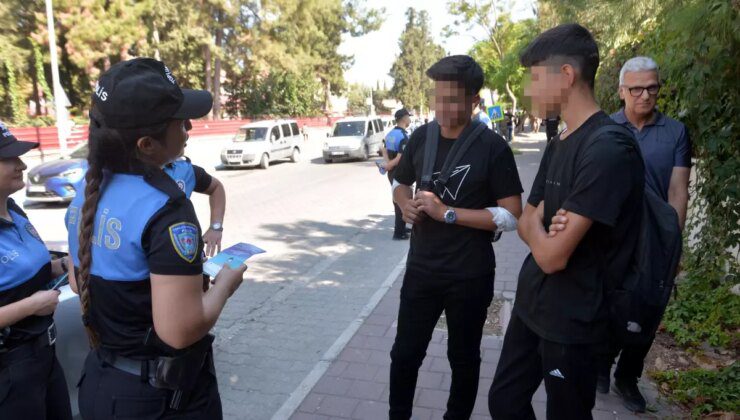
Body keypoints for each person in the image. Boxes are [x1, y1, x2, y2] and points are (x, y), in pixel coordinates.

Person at [65, 58, 246, 419]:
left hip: (103, 385)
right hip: (159, 400)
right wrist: (225, 283)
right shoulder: (165, 209)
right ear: (147, 144)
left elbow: (76, 280)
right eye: (180, 121)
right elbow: (179, 331)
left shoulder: (87, 191)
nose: (189, 127)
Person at [488, 24, 645, 419]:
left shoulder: (608, 149)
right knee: (504, 402)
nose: (528, 89)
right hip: (532, 306)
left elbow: (554, 257)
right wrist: (541, 228)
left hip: (575, 320)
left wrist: (539, 232)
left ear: (566, 76)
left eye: (534, 78)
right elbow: (526, 217)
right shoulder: (561, 140)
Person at [390, 55, 523, 420]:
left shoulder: (493, 147)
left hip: (470, 274)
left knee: (463, 357)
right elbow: (400, 182)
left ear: (474, 101)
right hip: (422, 269)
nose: (443, 107)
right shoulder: (421, 136)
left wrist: (447, 213)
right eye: (438, 97)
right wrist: (404, 205)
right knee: (404, 353)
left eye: (453, 99)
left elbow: (512, 215)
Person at [598, 56, 691, 412]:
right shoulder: (606, 128)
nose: (645, 95)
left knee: (650, 309)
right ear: (622, 91)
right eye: (636, 88)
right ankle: (601, 363)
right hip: (615, 236)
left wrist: (673, 244)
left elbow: (677, 191)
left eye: (652, 87)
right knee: (608, 302)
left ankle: (627, 377)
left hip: (655, 239)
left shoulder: (675, 132)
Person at [0, 121, 73, 419]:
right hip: (10, 369)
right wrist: (32, 306)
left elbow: (30, 271)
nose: (21, 164)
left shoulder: (14, 209)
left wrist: (62, 265)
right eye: (9, 159)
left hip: (43, 355)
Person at [164, 156, 226, 256]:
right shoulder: (131, 175)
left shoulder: (185, 170)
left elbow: (216, 187)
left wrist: (215, 227)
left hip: (185, 254)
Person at [381, 108, 412, 240]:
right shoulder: (403, 136)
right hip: (401, 172)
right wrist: (390, 165)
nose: (410, 119)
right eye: (409, 117)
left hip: (392, 173)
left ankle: (401, 226)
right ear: (404, 118)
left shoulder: (389, 134)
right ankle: (399, 233)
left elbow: (383, 150)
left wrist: (388, 165)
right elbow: (400, 157)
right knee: (402, 201)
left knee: (396, 200)